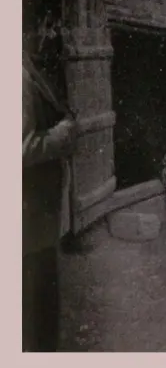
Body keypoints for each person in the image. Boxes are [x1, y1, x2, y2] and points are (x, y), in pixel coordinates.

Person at [23, 50, 79, 352]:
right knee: (36, 314)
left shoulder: (24, 67)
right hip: (27, 223)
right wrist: (60, 136)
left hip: (35, 221)